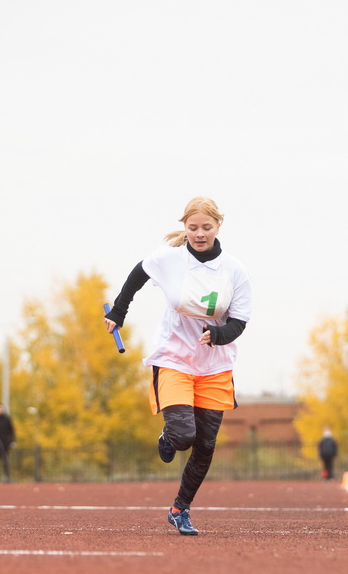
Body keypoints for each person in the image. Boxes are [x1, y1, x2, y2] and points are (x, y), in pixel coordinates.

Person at [104, 197, 253, 536]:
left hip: (215, 365)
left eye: (206, 227)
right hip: (174, 357)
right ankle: (169, 437)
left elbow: (240, 322)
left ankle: (179, 509)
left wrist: (217, 334)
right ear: (184, 227)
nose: (199, 234)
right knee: (184, 436)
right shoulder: (170, 259)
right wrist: (118, 312)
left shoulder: (235, 270)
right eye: (193, 227)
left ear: (218, 226)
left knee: (205, 445)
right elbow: (138, 274)